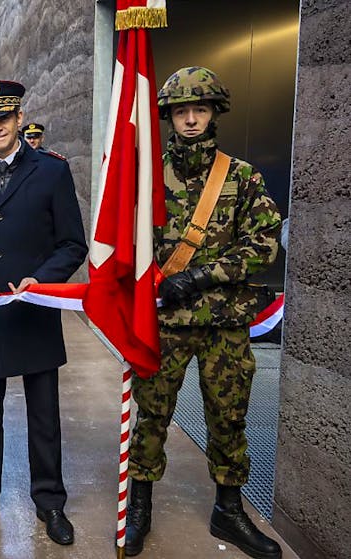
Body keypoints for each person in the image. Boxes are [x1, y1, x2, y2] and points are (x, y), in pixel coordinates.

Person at [123, 67, 282, 559]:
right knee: (150, 416)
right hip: (163, 324)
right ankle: (140, 509)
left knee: (229, 418)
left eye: (200, 109)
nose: (191, 119)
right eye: (181, 111)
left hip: (223, 323)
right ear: (168, 117)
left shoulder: (240, 177)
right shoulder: (147, 177)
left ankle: (229, 512)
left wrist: (199, 276)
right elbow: (124, 242)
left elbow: (265, 244)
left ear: (214, 113)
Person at [0, 80, 87, 546]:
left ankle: (50, 501)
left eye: (5, 117)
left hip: (34, 312)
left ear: (20, 118)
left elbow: (72, 243)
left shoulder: (51, 171)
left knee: (44, 416)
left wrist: (41, 280)